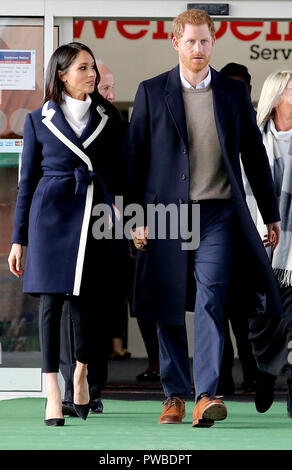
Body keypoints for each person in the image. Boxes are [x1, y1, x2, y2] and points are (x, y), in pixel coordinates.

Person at [126, 9, 282, 428]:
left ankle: (206, 394)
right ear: (175, 42)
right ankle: (174, 396)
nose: (198, 49)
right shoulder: (150, 91)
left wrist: (270, 214)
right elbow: (135, 161)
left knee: (211, 298)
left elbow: (253, 156)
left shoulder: (232, 92)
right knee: (168, 303)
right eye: (190, 41)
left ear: (213, 44)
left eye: (205, 41)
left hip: (218, 213)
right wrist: (135, 217)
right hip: (166, 214)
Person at [8, 42, 124, 426]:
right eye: (83, 68)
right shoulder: (38, 119)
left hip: (95, 213)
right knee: (51, 303)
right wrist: (18, 239)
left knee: (88, 303)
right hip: (50, 216)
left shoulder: (107, 115)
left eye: (92, 68)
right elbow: (26, 184)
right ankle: (52, 391)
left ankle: (80, 372)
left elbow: (121, 172)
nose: (92, 75)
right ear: (62, 74)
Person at [59, 61, 127, 418]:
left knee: (100, 309)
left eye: (111, 87)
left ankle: (91, 388)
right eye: (105, 88)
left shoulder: (113, 123)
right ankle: (73, 388)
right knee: (72, 308)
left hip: (107, 227)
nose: (110, 94)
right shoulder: (62, 120)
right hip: (70, 227)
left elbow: (125, 174)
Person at [244, 70, 292, 416]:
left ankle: (290, 382)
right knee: (262, 323)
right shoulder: (252, 140)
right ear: (277, 98)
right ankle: (265, 371)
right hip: (261, 244)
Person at [217, 62, 259, 395]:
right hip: (215, 228)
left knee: (245, 316)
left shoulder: (254, 125)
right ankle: (222, 379)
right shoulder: (211, 124)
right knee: (216, 310)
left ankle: (254, 374)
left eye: (242, 87)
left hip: (249, 233)